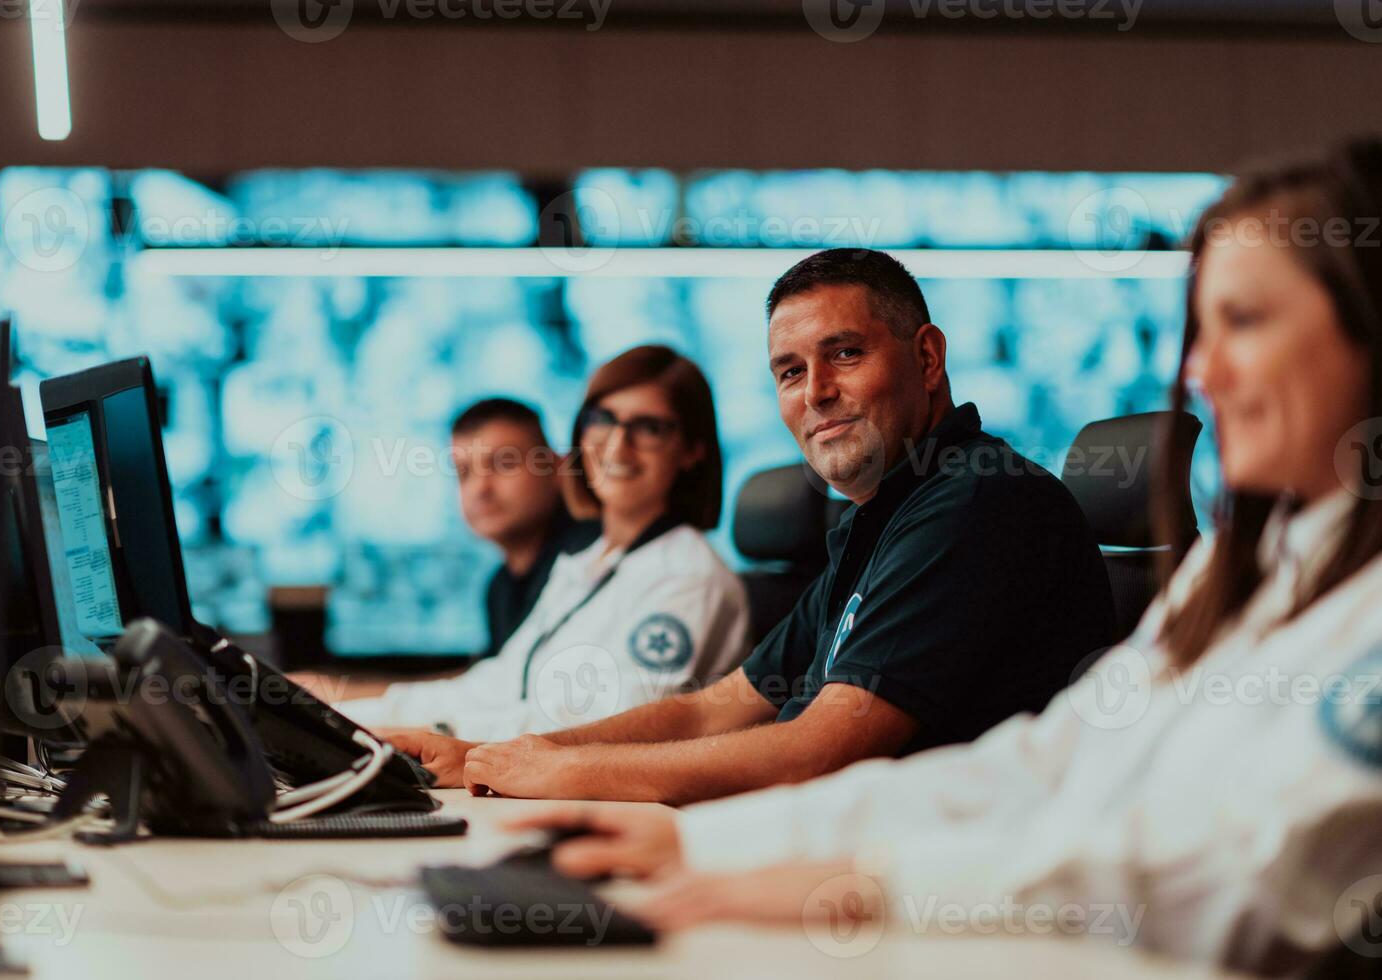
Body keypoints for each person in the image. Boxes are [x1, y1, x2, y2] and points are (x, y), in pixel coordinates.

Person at [505, 140, 1382, 976]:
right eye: (1202, 330)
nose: (1202, 374)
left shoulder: (978, 501)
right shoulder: (1243, 564)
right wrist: (704, 843)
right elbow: (1040, 767)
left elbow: (1217, 885)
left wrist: (859, 887)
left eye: (1248, 320)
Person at [451, 248, 1116, 804]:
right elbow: (712, 708)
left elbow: (823, 750)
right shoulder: (878, 520)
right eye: (790, 371)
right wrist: (506, 756)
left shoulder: (978, 500)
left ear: (928, 359)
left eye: (846, 354)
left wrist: (565, 773)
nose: (814, 392)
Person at [337, 345, 750, 783]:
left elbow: (613, 730)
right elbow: (497, 684)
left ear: (691, 451)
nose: (617, 445)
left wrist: (447, 738)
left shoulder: (687, 576)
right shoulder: (584, 566)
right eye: (602, 420)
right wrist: (341, 714)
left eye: (648, 428)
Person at [449, 398, 599, 660]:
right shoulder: (500, 587)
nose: (479, 489)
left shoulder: (589, 559)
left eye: (503, 464)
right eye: (464, 473)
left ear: (558, 468)